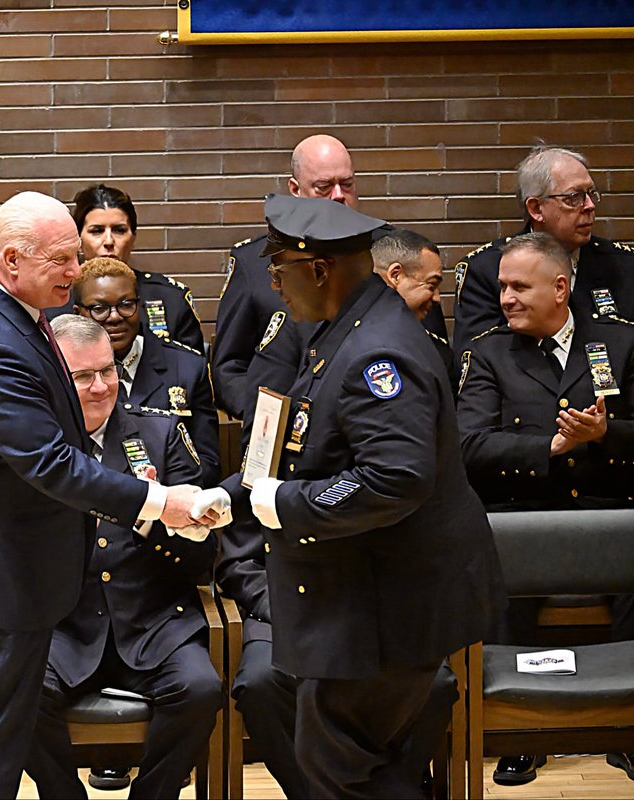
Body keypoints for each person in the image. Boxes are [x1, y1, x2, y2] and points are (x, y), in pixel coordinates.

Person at [193, 195, 504, 798]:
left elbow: (394, 478)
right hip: (363, 595)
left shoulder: (377, 352)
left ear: (319, 269)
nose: (273, 285)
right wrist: (227, 498)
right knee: (342, 753)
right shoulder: (339, 331)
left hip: (396, 599)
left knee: (337, 757)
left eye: (277, 269)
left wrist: (283, 506)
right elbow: (294, 445)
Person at [0, 191, 205, 798]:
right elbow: (52, 464)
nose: (77, 270)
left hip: (2, 555)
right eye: (62, 259)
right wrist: (158, 503)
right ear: (13, 259)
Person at [456, 231, 634, 786]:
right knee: (496, 557)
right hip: (523, 514)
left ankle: (628, 729)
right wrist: (547, 447)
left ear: (560, 288)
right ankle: (521, 733)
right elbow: (466, 444)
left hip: (611, 511)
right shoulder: (488, 354)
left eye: (518, 287)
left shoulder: (622, 344)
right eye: (502, 286)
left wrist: (606, 435)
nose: (505, 297)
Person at [25, 315, 222, 799]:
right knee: (16, 692)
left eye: (108, 370)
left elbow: (204, 557)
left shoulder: (161, 436)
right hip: (61, 626)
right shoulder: (33, 447)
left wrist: (149, 519)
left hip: (154, 620)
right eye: (83, 376)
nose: (100, 387)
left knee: (200, 689)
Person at [211, 134, 448, 419]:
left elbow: (433, 349)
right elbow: (230, 366)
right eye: (324, 187)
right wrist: (265, 415)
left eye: (346, 184)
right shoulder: (254, 261)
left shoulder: (395, 251)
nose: (338, 195)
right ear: (295, 190)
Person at [453, 145, 634, 352]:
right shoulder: (484, 269)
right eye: (574, 197)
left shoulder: (624, 264)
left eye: (591, 193)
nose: (590, 205)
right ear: (536, 209)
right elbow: (474, 359)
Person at [72, 256, 219, 486]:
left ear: (139, 305)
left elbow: (207, 462)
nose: (115, 317)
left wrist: (157, 497)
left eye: (126, 304)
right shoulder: (62, 369)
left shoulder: (187, 368)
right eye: (99, 308)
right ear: (78, 312)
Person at [47, 184, 204, 352]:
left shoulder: (169, 296)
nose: (108, 241)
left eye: (119, 230)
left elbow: (191, 368)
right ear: (78, 240)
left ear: (133, 236)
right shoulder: (53, 299)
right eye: (97, 231)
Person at [371, 230, 455, 383]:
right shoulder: (352, 342)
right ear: (396, 275)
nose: (437, 298)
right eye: (431, 285)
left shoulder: (436, 351)